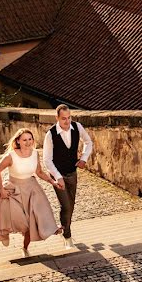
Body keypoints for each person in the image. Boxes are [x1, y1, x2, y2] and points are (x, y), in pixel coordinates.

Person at [0, 127, 63, 257]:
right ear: (18, 141)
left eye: (30, 139)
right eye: (24, 140)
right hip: (14, 189)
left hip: (32, 189)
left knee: (32, 220)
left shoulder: (35, 153)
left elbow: (39, 172)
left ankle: (25, 247)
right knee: (14, 217)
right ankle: (4, 234)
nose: (28, 142)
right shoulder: (11, 156)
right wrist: (1, 189)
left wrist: (53, 182)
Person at [43, 104, 93, 249]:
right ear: (57, 118)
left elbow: (88, 142)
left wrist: (84, 158)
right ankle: (67, 236)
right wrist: (57, 177)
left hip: (72, 173)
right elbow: (47, 159)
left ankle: (66, 229)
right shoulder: (50, 134)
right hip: (57, 175)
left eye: (69, 117)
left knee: (71, 206)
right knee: (65, 206)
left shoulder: (77, 127)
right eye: (63, 119)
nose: (67, 121)